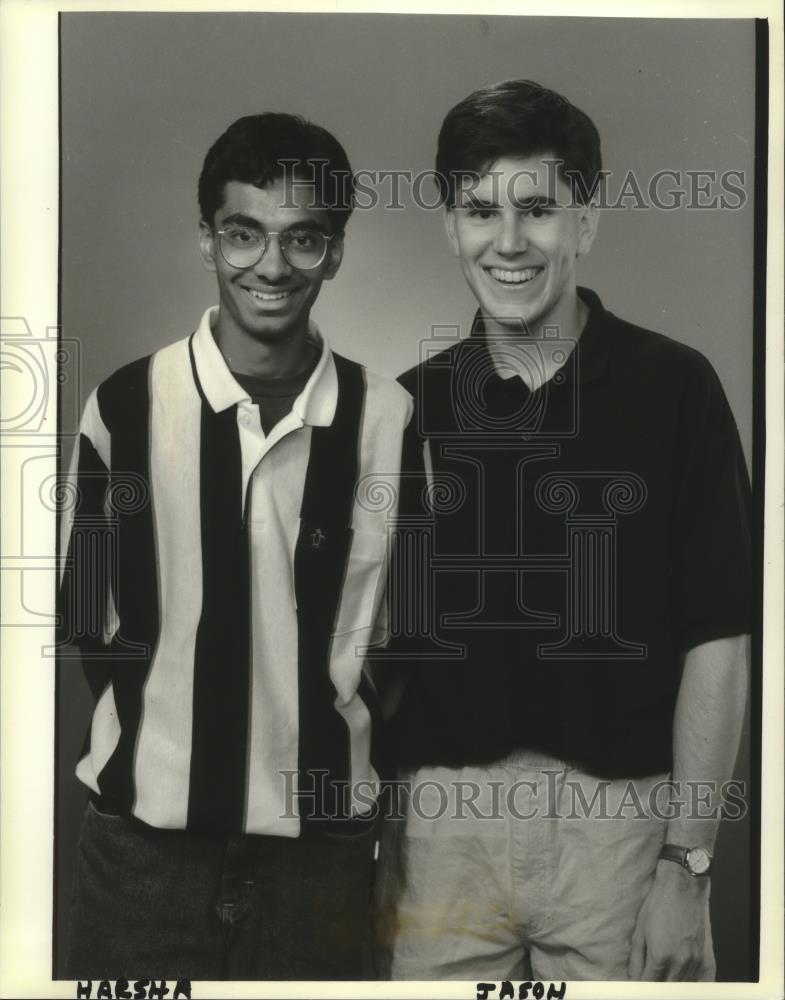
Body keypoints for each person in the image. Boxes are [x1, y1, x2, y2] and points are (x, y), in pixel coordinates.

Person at [380, 80, 751, 982]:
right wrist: (380, 832)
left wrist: (688, 861)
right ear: (449, 225)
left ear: (584, 220)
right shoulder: (411, 408)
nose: (507, 243)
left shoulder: (675, 390)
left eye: (537, 208)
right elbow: (370, 652)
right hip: (441, 837)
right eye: (479, 210)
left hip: (618, 832)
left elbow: (719, 640)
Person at [59, 112, 412, 980]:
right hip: (144, 854)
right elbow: (93, 625)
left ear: (335, 252)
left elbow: (405, 636)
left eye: (303, 239)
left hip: (320, 860)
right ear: (206, 240)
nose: (271, 265)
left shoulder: (388, 419)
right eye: (244, 233)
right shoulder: (125, 407)